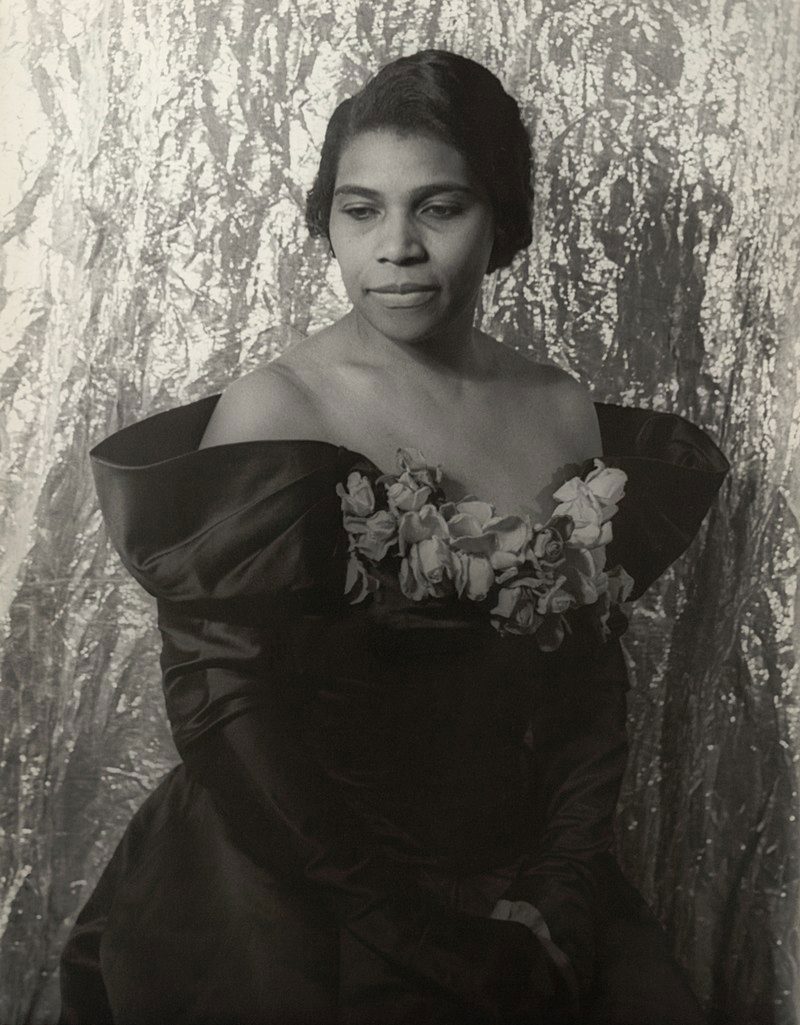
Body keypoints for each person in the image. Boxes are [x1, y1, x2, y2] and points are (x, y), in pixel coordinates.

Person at [58, 50, 729, 1025]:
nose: (395, 246)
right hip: (296, 872)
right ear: (326, 220)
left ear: (498, 216)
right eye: (359, 208)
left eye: (437, 206)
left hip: (506, 859)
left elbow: (584, 689)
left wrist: (558, 894)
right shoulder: (278, 408)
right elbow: (224, 712)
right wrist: (431, 937)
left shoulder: (554, 407)